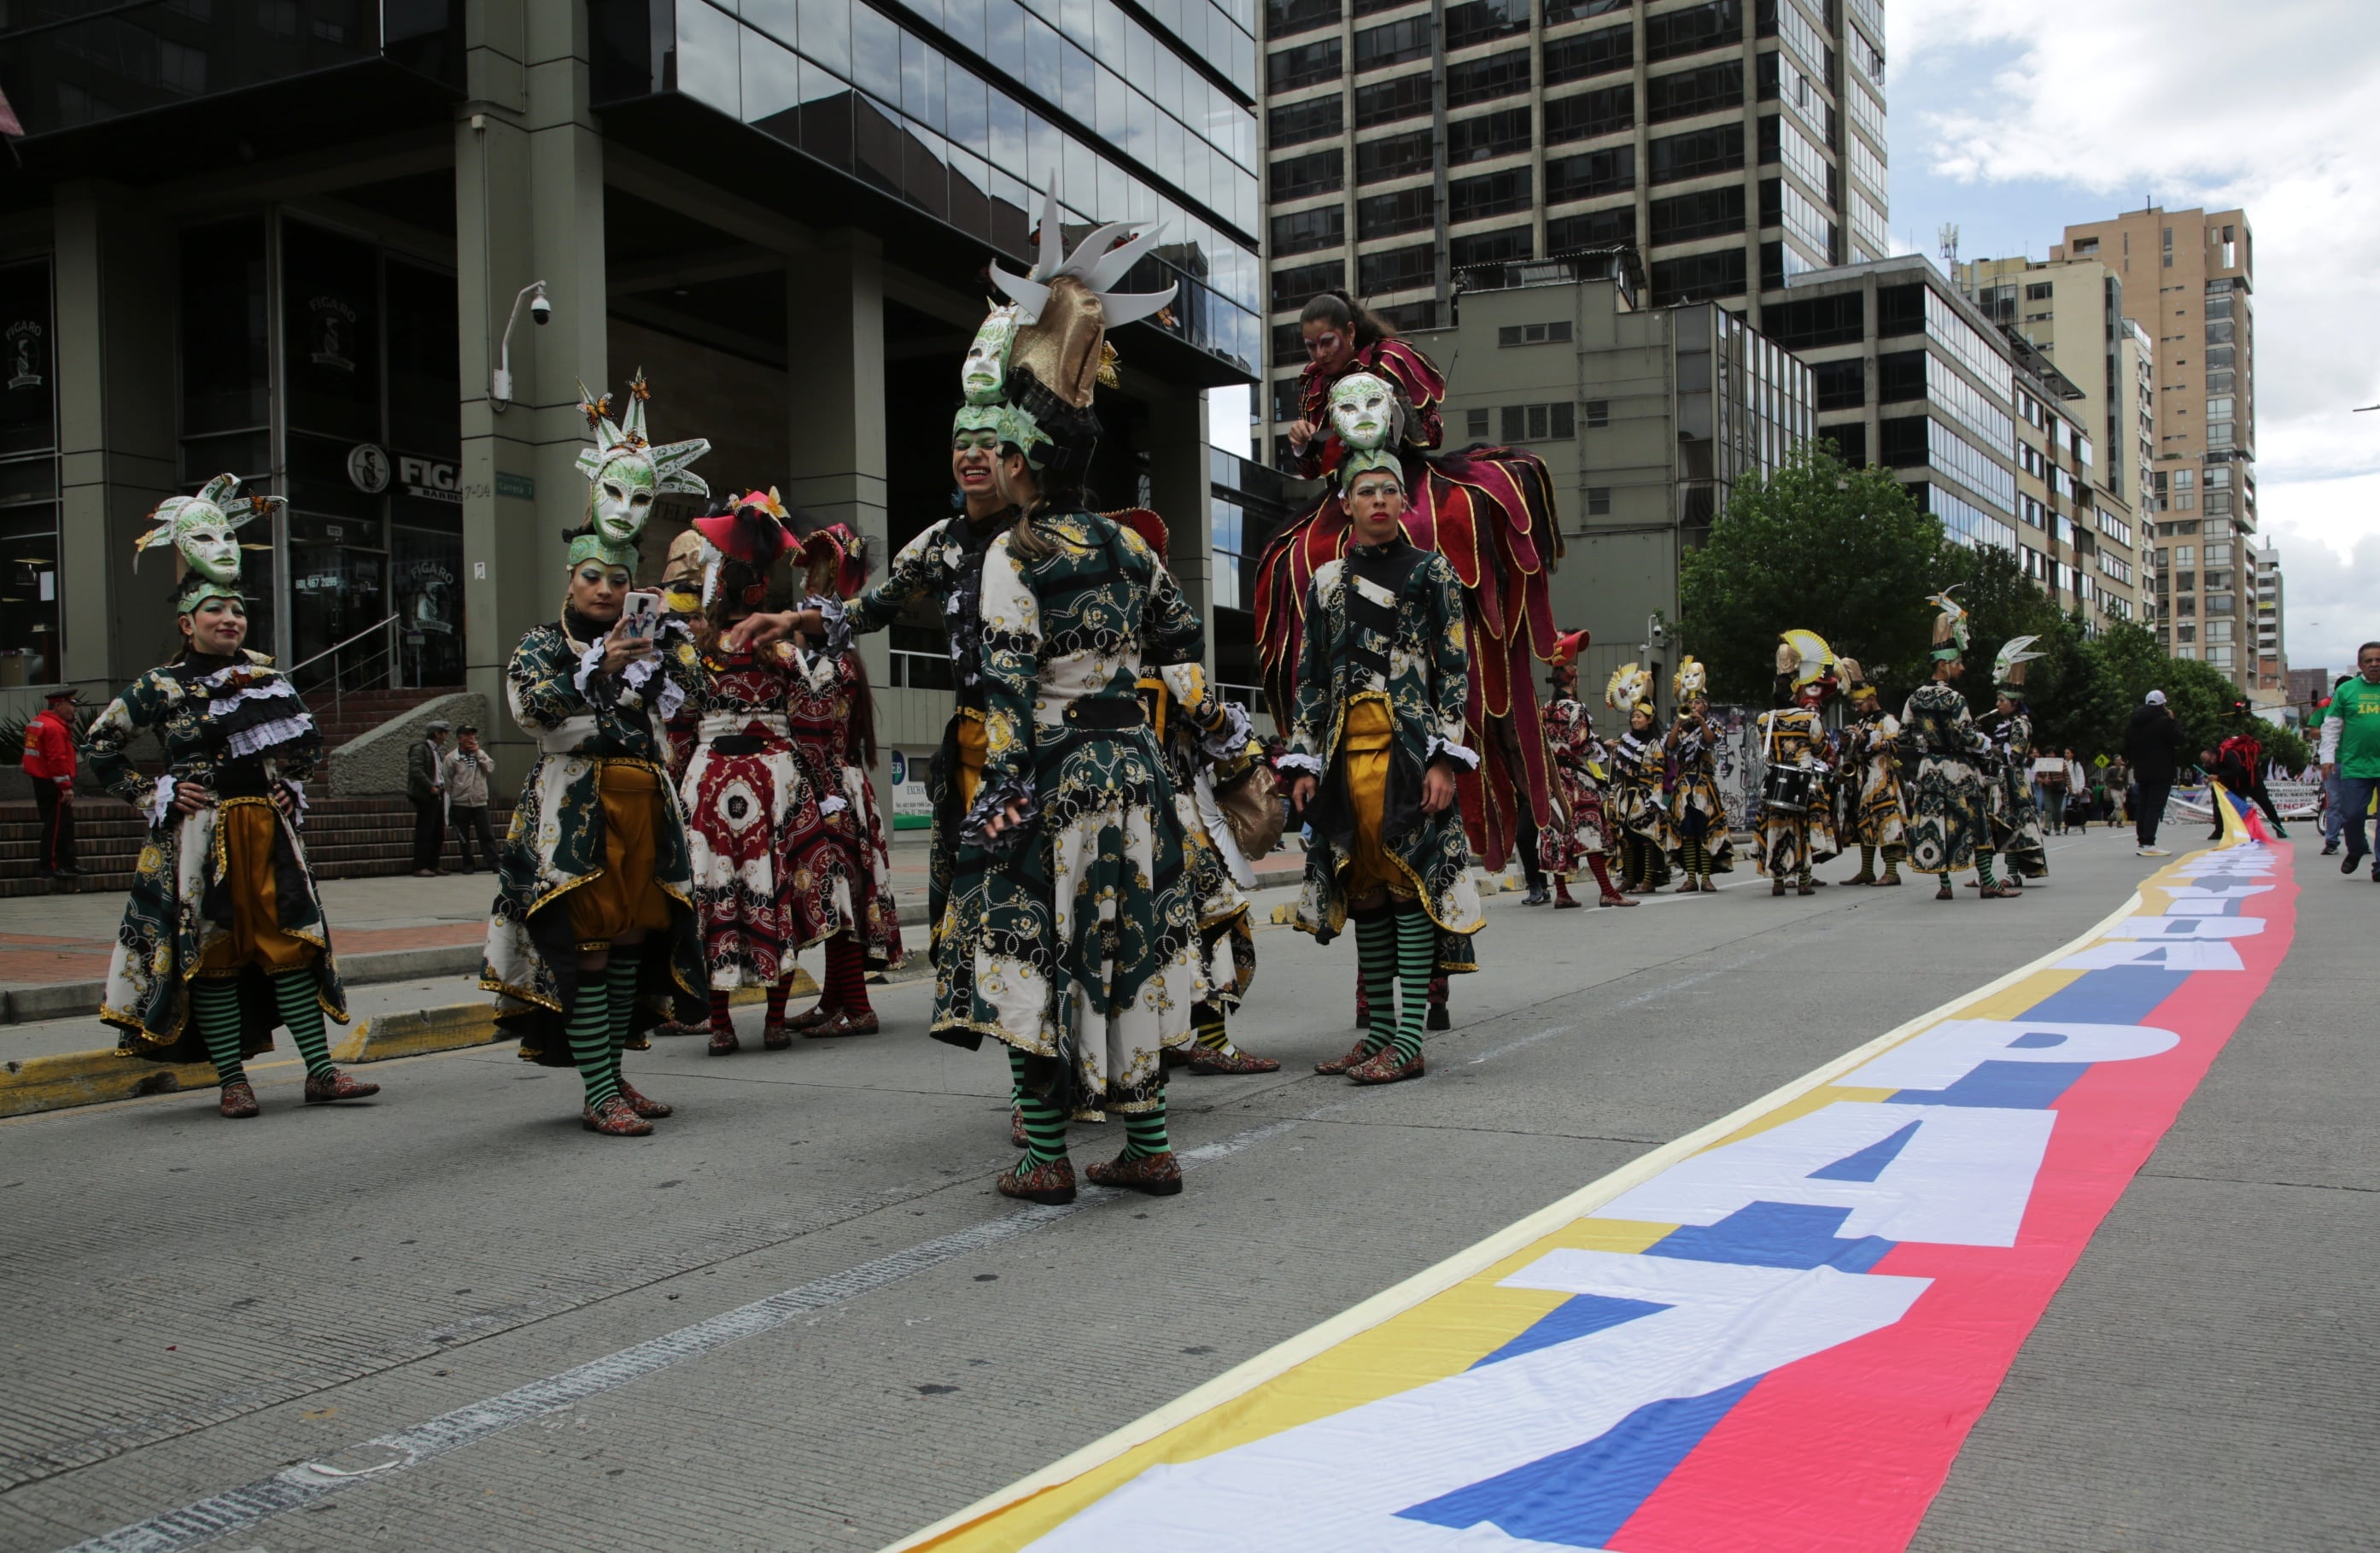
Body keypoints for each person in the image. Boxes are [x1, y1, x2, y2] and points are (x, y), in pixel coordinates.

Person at [1254, 290, 1564, 904]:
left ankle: (1531, 843)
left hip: (1403, 480)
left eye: (1328, 343)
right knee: (1288, 561)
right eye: (1310, 347)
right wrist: (1307, 441)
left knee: (1443, 545)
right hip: (1355, 502)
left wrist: (1384, 425)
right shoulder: (1315, 386)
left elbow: (1423, 430)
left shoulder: (1392, 359)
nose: (1319, 355)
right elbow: (1319, 465)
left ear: (1350, 330)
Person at [87, 475, 374, 1117]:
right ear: (188, 623)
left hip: (266, 829)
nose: (230, 620)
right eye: (216, 612)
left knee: (291, 946)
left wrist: (285, 779)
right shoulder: (159, 686)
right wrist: (152, 793)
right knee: (213, 954)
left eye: (238, 611)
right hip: (200, 833)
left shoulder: (266, 679)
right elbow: (99, 746)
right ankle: (232, 1082)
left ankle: (321, 1072)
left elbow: (306, 746)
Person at [481, 373, 711, 1137]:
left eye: (619, 580)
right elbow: (531, 708)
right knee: (585, 948)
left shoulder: (653, 639)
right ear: (569, 578)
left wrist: (674, 650)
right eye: (592, 578)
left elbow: (697, 704)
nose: (607, 591)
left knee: (633, 943)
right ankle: (598, 1090)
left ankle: (613, 1076)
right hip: (575, 809)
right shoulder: (544, 644)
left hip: (644, 803)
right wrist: (600, 668)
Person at [1282, 447, 1483, 1088]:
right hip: (1345, 755)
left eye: (1386, 492)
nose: (1375, 501)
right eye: (1363, 491)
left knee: (1407, 886)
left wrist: (1445, 759)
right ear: (1345, 502)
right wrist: (1305, 760)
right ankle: (1375, 1035)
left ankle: (1407, 1041)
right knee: (1364, 888)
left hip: (1409, 753)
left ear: (1404, 502)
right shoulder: (1326, 582)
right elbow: (1310, 675)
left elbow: (1455, 670)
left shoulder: (1435, 575)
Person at [676, 489, 841, 1053]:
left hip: (710, 781)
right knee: (775, 896)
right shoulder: (778, 648)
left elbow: (676, 721)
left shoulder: (697, 649)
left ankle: (722, 1025)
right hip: (771, 779)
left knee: (713, 896)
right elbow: (820, 705)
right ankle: (769, 1021)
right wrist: (824, 785)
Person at [778, 520, 906, 1036]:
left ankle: (859, 1007)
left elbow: (810, 726)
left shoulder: (834, 668)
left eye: (817, 573)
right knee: (835, 893)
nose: (807, 581)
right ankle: (835, 1000)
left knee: (838, 894)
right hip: (823, 782)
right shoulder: (821, 661)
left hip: (829, 787)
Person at [1144, 636, 1285, 1071]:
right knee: (1213, 918)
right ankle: (1213, 1042)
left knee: (1139, 926)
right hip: (1175, 805)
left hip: (1114, 804)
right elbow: (1209, 715)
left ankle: (1156, 1041)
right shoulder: (1171, 659)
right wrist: (1225, 720)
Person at [1902, 589, 1998, 900]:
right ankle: (1988, 882)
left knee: (1936, 826)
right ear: (1944, 665)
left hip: (1930, 770)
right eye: (1958, 663)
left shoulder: (1914, 697)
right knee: (1976, 825)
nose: (1962, 668)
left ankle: (1945, 886)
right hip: (1960, 769)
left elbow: (1904, 737)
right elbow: (1968, 736)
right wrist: (1984, 741)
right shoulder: (1956, 699)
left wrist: (1928, 742)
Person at [1537, 630, 1634, 908]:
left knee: (1557, 833)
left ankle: (1562, 894)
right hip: (1576, 781)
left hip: (1553, 779)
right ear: (1572, 677)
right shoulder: (1575, 709)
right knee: (1589, 833)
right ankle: (1607, 891)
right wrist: (1603, 748)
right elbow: (1580, 745)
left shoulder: (1544, 709)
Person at [1752, 631, 1841, 898]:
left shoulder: (1764, 720)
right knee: (1803, 829)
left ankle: (1778, 881)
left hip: (1776, 780)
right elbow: (1820, 748)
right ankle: (1803, 880)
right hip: (1804, 779)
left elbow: (1764, 749)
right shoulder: (1807, 718)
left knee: (1776, 828)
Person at [1976, 636, 2047, 891]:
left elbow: (2014, 756)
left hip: (2014, 782)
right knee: (1996, 827)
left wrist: (1986, 746)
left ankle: (2013, 874)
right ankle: (1988, 875)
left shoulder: (2021, 724)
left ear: (2014, 702)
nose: (1997, 705)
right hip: (1999, 781)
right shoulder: (2005, 723)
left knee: (2013, 828)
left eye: (2001, 701)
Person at [1664, 659, 1734, 893]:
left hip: (1704, 784)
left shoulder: (1713, 723)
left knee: (1706, 830)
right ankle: (1691, 877)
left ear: (1706, 705)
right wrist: (1678, 722)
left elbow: (1710, 741)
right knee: (1687, 832)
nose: (1693, 706)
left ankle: (1706, 877)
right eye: (1690, 703)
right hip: (1684, 784)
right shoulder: (1680, 727)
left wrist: (1702, 722)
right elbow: (1670, 747)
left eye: (1698, 703)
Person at [1604, 665, 1674, 894]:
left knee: (1647, 837)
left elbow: (1658, 772)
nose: (1635, 719)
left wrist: (1656, 798)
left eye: (1640, 716)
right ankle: (1630, 877)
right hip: (1627, 795)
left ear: (1649, 719)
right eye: (1633, 716)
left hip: (1645, 796)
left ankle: (1649, 880)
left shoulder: (1655, 743)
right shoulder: (1624, 741)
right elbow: (1618, 770)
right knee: (1628, 837)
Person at [1836, 665, 1907, 886]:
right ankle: (1867, 870)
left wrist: (1867, 739)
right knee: (1864, 824)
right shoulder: (1861, 723)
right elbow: (1854, 751)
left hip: (1882, 780)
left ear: (1872, 699)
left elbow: (1895, 746)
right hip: (1862, 781)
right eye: (1854, 705)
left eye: (1860, 704)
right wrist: (1847, 743)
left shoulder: (1888, 721)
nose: (1857, 709)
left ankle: (1892, 872)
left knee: (1887, 824)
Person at [2318, 641, 2380, 881]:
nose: (2374, 664)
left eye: (2378, 660)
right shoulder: (2346, 691)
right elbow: (2331, 727)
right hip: (2356, 765)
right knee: (2352, 814)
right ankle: (2355, 849)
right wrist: (2327, 758)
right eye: (2369, 660)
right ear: (2360, 664)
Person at [22, 686, 81, 879]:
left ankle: (67, 863)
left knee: (62, 823)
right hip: (52, 782)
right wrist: (65, 787)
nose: (74, 709)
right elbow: (57, 759)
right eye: (71, 705)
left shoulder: (38, 722)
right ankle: (51, 866)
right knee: (56, 825)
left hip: (41, 779)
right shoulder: (54, 727)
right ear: (59, 704)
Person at [2124, 689, 2188, 856]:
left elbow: (2128, 745)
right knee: (2155, 806)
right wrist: (2173, 721)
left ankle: (2142, 841)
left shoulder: (2134, 723)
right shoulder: (2164, 722)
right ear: (2162, 704)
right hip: (2161, 770)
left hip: (2142, 770)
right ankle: (2148, 843)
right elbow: (2179, 739)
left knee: (2143, 805)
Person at [2216, 700, 2289, 838]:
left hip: (2237, 782)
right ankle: (2279, 829)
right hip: (2253, 779)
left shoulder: (2227, 751)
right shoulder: (2246, 745)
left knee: (2236, 807)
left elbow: (2234, 769)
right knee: (2266, 804)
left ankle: (2236, 831)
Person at [445, 724, 498, 873]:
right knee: (464, 836)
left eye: (473, 735)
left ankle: (494, 863)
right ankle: (468, 864)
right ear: (459, 738)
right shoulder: (451, 758)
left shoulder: (480, 754)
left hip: (480, 800)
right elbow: (448, 781)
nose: (471, 738)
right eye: (467, 735)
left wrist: (479, 753)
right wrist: (452, 800)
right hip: (460, 802)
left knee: (486, 834)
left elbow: (490, 768)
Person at [407, 719, 450, 876]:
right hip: (427, 795)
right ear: (436, 733)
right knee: (425, 831)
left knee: (438, 831)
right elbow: (416, 770)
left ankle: (433, 864)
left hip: (438, 793)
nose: (446, 736)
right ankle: (420, 866)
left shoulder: (436, 750)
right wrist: (429, 786)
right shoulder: (420, 749)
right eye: (444, 732)